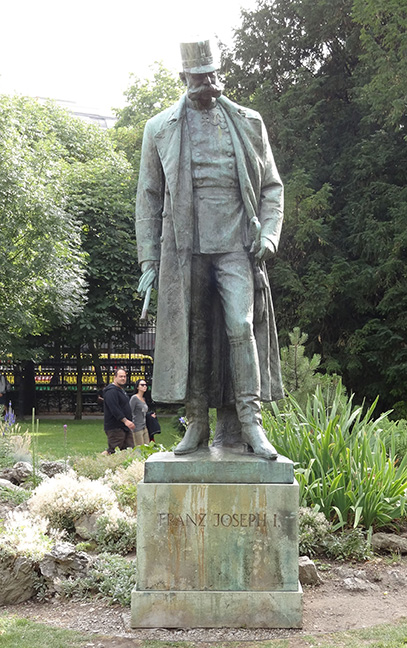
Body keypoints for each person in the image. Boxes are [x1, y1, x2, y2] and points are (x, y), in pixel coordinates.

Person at [136, 40, 284, 460]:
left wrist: (269, 235)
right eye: (201, 77)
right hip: (185, 249)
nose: (210, 84)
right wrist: (149, 259)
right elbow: (148, 197)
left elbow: (272, 186)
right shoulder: (159, 128)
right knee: (195, 336)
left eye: (215, 75)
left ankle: (251, 423)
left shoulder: (248, 122)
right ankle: (196, 422)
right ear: (184, 78)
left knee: (240, 324)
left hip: (237, 244)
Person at [102, 368, 135, 454]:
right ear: (115, 377)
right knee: (113, 451)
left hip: (124, 427)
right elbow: (114, 408)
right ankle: (99, 460)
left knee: (129, 450)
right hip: (115, 427)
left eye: (124, 376)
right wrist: (125, 420)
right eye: (121, 376)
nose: (123, 378)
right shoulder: (111, 391)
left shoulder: (121, 391)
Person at [129, 379, 152, 446]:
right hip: (137, 427)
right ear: (137, 387)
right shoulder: (134, 398)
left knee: (147, 447)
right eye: (142, 385)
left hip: (144, 427)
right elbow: (130, 411)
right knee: (139, 448)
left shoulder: (144, 399)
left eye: (145, 385)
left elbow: (144, 412)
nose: (144, 386)